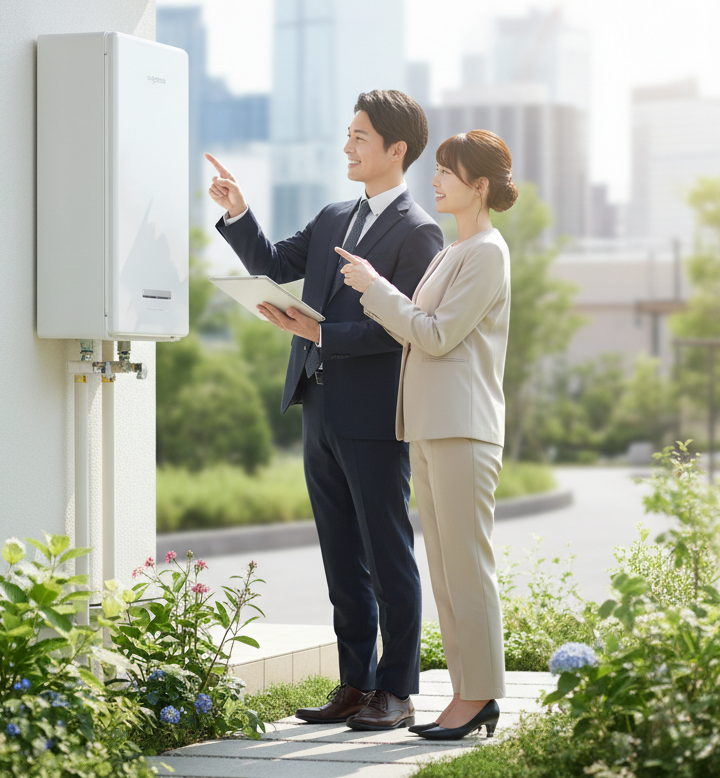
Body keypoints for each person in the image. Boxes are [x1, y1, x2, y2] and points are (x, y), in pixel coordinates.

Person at [208, 90, 443, 731]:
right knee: (340, 552)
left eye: (359, 137)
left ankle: (396, 690)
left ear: (396, 150)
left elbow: (405, 329)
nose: (347, 147)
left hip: (374, 413)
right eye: (348, 135)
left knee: (386, 550)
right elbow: (275, 264)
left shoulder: (420, 231)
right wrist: (240, 212)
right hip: (317, 404)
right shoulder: (335, 214)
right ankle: (354, 683)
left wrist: (318, 335)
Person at [336, 129, 517, 741]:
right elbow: (424, 329)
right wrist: (383, 297)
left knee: (468, 567)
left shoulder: (487, 252)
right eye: (437, 170)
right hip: (433, 428)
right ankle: (467, 695)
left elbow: (436, 335)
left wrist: (376, 290)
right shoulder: (450, 253)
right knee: (444, 568)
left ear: (480, 186)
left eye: (447, 172)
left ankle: (482, 694)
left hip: (465, 429)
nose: (435, 180)